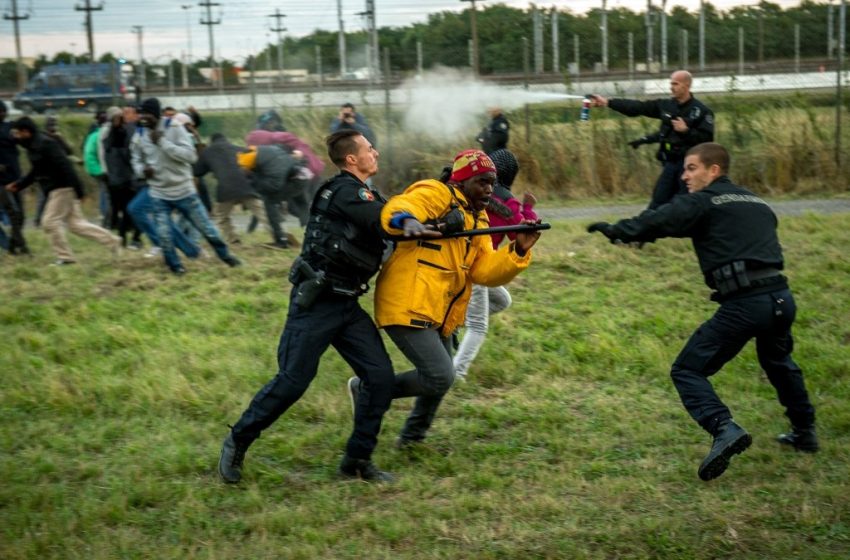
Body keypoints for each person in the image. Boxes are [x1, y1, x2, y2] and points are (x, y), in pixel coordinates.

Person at [587, 142, 818, 482]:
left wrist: (617, 230)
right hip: (781, 299)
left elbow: (661, 218)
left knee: (687, 370)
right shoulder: (756, 201)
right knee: (780, 364)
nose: (684, 175)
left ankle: (723, 428)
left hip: (745, 303)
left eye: (692, 168)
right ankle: (805, 432)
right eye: (684, 168)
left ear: (714, 170)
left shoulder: (704, 201)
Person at [218, 129, 397, 484]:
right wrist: (417, 223)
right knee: (293, 382)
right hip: (317, 303)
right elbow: (389, 220)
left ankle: (357, 460)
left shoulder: (366, 193)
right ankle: (238, 439)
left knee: (379, 378)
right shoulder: (343, 191)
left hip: (347, 304)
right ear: (351, 159)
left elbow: (394, 220)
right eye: (368, 148)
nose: (375, 152)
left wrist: (436, 224)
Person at [371, 149, 542, 448]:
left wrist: (518, 251)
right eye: (483, 182)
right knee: (440, 376)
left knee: (440, 377)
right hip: (409, 302)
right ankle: (368, 390)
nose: (490, 189)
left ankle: (412, 439)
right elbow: (402, 205)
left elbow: (485, 272)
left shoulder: (478, 221)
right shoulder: (437, 193)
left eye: (493, 182)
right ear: (461, 181)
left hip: (442, 309)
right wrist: (405, 221)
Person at [453, 149, 538, 381]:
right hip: (478, 264)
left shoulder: (469, 192)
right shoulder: (507, 203)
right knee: (478, 326)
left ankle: (453, 325)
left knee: (502, 300)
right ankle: (456, 373)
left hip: (460, 258)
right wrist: (527, 207)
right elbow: (521, 232)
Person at [130, 97, 240, 275]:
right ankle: (176, 268)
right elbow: (135, 160)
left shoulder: (174, 128)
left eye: (147, 114)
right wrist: (142, 171)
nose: (143, 118)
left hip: (184, 191)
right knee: (165, 237)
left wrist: (163, 143)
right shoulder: (139, 135)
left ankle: (227, 257)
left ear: (156, 114)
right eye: (141, 114)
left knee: (208, 230)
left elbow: (191, 156)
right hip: (159, 194)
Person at [588, 70, 714, 209]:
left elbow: (707, 140)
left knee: (686, 204)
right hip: (670, 163)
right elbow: (639, 107)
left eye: (675, 84)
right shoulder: (666, 105)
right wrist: (608, 102)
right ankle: (648, 227)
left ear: (687, 85)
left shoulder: (701, 111)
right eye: (671, 83)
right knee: (658, 201)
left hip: (689, 166)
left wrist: (686, 131)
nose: (671, 87)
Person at [5, 117, 121, 265]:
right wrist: (19, 185)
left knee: (50, 222)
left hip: (62, 187)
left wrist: (79, 191)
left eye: (17, 133)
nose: (15, 137)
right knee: (76, 225)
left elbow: (66, 166)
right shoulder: (32, 146)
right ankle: (113, 241)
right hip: (56, 188)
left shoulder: (46, 144)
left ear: (26, 132)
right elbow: (36, 171)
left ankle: (66, 258)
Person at [246, 110, 326, 224]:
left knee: (298, 205)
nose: (271, 125)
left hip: (302, 174)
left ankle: (316, 225)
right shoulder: (280, 136)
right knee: (302, 204)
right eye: (270, 123)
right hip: (308, 172)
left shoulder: (274, 139)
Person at [194, 132, 269, 245]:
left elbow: (197, 172)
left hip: (226, 189)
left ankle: (233, 240)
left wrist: (201, 157)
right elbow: (254, 166)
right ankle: (279, 235)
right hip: (245, 186)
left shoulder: (208, 152)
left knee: (222, 217)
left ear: (211, 141)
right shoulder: (239, 149)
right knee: (262, 213)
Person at [236, 144, 303, 249]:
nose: (245, 170)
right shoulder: (263, 154)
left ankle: (282, 241)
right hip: (298, 176)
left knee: (271, 204)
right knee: (272, 205)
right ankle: (282, 237)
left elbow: (274, 185)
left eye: (246, 169)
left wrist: (254, 181)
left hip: (297, 180)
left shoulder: (266, 164)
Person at [103, 106, 143, 249]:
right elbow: (127, 155)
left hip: (121, 178)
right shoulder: (119, 132)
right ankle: (129, 239)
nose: (125, 116)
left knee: (127, 210)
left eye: (127, 113)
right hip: (123, 178)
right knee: (129, 210)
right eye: (123, 114)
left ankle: (126, 238)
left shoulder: (115, 133)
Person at [0, 100, 29, 255]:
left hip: (16, 178)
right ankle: (22, 248)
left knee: (20, 215)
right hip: (1, 182)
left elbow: (23, 138)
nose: (2, 114)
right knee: (14, 213)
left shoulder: (10, 127)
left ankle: (13, 245)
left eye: (3, 111)